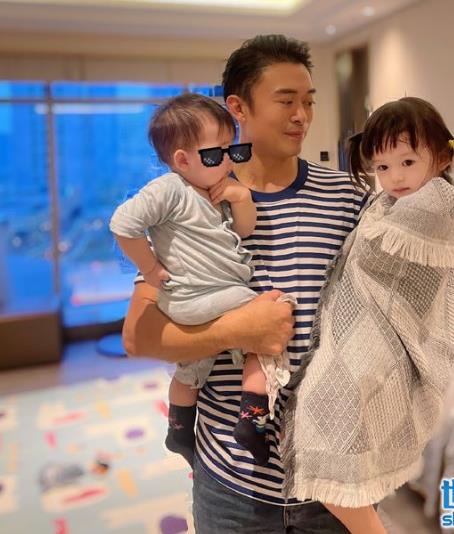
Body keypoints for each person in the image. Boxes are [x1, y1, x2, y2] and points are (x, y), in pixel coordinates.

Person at [122, 34, 369, 533]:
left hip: (335, 474)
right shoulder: (188, 200)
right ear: (238, 107)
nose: (302, 115)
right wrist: (241, 331)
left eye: (308, 101)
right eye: (285, 101)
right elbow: (138, 336)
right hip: (232, 482)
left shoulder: (347, 196)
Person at [281, 96, 454, 534]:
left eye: (408, 162)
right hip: (363, 329)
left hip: (385, 334)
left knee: (328, 412)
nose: (395, 177)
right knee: (331, 418)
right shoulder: (386, 202)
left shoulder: (434, 204)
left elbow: (379, 269)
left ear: (440, 157)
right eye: (383, 167)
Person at [110, 93, 295, 467]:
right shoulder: (170, 189)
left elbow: (244, 230)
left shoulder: (214, 188)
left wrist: (241, 198)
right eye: (216, 155)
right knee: (270, 316)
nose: (228, 162)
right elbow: (122, 223)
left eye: (233, 150)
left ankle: (179, 429)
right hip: (200, 295)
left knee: (192, 368)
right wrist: (150, 268)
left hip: (201, 299)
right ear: (182, 160)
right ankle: (253, 419)